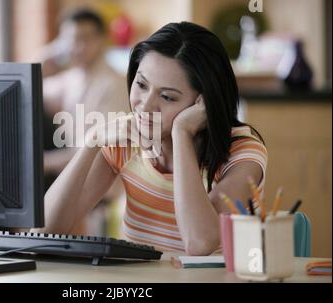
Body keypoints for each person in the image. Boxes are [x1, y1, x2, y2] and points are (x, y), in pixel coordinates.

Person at [40, 22, 268, 256]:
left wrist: (182, 133)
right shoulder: (126, 142)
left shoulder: (242, 153)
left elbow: (200, 243)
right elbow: (45, 230)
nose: (145, 106)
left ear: (204, 103)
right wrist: (92, 141)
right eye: (141, 84)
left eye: (168, 97)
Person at [41, 8, 130, 176]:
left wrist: (44, 162)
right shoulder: (72, 78)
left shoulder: (114, 84)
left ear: (102, 40)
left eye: (83, 39)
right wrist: (44, 60)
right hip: (73, 172)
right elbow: (31, 93)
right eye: (69, 39)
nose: (76, 47)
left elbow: (99, 149)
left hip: (100, 182)